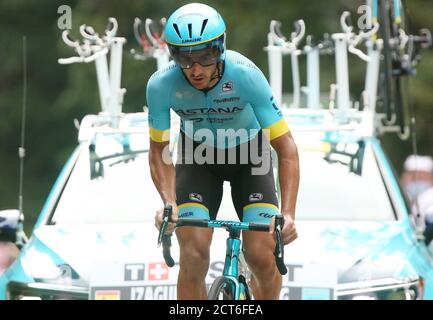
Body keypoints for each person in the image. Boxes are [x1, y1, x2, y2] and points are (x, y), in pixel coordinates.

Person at [147, 3, 299, 300]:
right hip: (197, 157)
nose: (195, 69)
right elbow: (158, 151)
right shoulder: (160, 85)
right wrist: (169, 203)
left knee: (260, 254)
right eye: (184, 58)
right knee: (192, 252)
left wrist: (289, 213)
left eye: (205, 56)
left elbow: (286, 148)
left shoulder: (245, 75)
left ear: (220, 48)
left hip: (250, 156)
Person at [400, 154, 433, 244]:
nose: (417, 180)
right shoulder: (397, 196)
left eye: (423, 176)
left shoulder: (430, 198)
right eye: (413, 176)